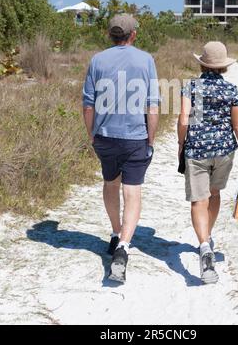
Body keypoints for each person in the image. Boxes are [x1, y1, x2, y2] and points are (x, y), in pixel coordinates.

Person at [83, 14, 160, 283]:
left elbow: (89, 104)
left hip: (104, 135)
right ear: (133, 34)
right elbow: (152, 105)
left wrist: (92, 135)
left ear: (110, 35)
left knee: (110, 184)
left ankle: (115, 234)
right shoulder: (146, 60)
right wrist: (151, 139)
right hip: (136, 136)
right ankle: (124, 247)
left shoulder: (97, 60)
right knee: (133, 191)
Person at [177, 42, 238, 285]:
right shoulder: (232, 90)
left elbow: (183, 119)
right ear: (224, 66)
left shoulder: (190, 87)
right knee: (214, 193)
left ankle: (203, 245)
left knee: (198, 200)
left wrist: (182, 144)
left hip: (197, 150)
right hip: (224, 151)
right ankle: (208, 237)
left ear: (202, 63)